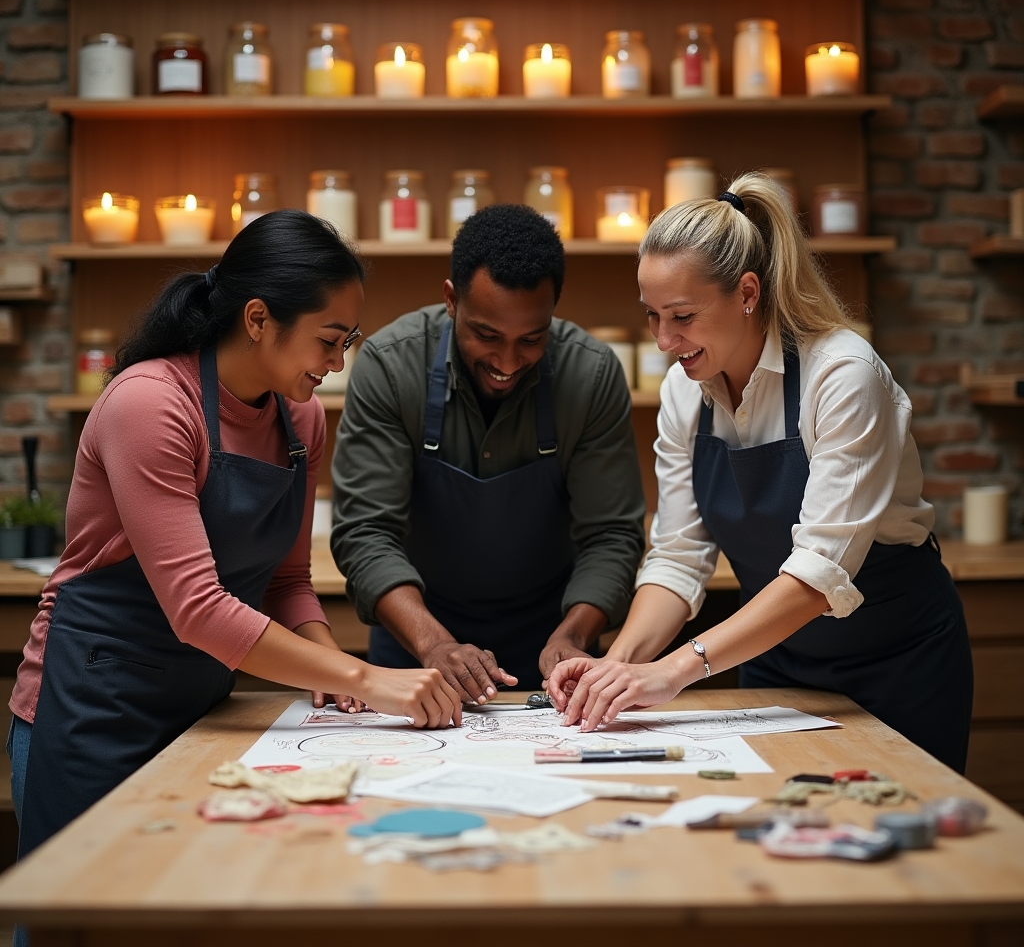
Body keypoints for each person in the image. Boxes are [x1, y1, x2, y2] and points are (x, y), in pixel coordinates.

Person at [9, 211, 460, 863]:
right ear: (257, 320)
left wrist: (330, 673)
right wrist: (364, 676)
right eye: (328, 340)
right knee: (80, 918)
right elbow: (196, 608)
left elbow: (286, 580)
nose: (337, 364)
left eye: (349, 341)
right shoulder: (152, 405)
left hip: (202, 712)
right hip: (90, 712)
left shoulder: (300, 419)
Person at [547, 174, 974, 774]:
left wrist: (673, 669)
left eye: (683, 316)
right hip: (774, 656)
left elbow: (818, 573)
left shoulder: (843, 376)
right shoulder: (683, 392)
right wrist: (618, 668)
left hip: (897, 662)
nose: (665, 341)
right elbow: (676, 557)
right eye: (651, 317)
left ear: (747, 293)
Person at [332, 203, 647, 702]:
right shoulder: (390, 366)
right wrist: (434, 643)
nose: (506, 361)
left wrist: (574, 635)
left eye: (531, 339)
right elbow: (365, 531)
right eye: (486, 335)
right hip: (417, 645)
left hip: (552, 650)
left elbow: (611, 534)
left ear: (553, 312)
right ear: (452, 300)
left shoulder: (591, 374)